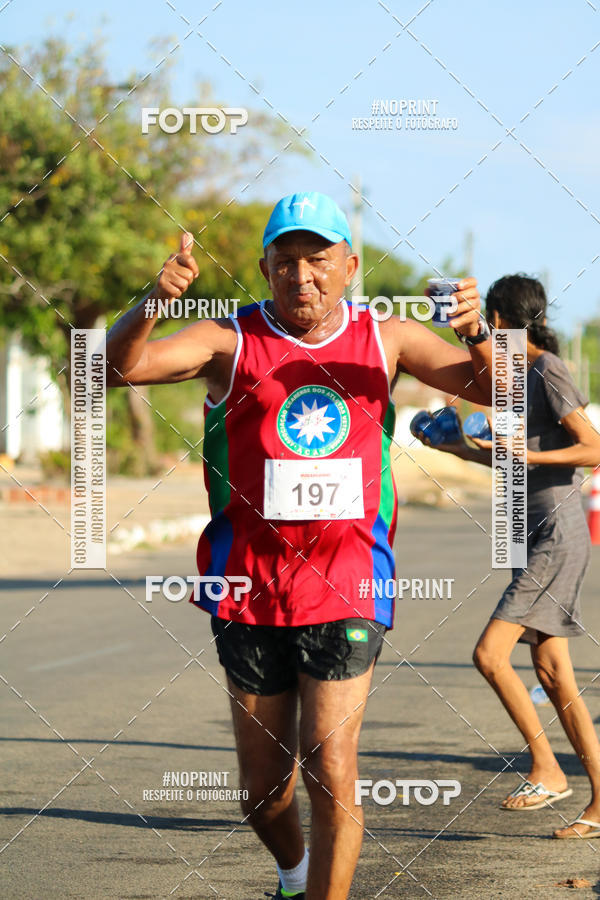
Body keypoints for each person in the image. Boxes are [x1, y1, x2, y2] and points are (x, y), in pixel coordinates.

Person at [106, 191, 493, 898]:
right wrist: (151, 302)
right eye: (285, 262)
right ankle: (293, 876)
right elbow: (116, 369)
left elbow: (498, 391)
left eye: (318, 259)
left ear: (350, 265)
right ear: (264, 267)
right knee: (261, 793)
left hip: (348, 581)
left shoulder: (387, 339)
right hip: (248, 587)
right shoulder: (231, 341)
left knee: (330, 765)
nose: (302, 275)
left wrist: (476, 335)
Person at [414, 274, 600, 839]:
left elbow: (592, 448)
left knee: (489, 655)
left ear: (497, 322)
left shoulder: (546, 370)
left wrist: (520, 451)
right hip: (529, 530)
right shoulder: (516, 377)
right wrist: (457, 448)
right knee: (554, 673)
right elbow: (517, 462)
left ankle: (547, 769)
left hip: (556, 534)